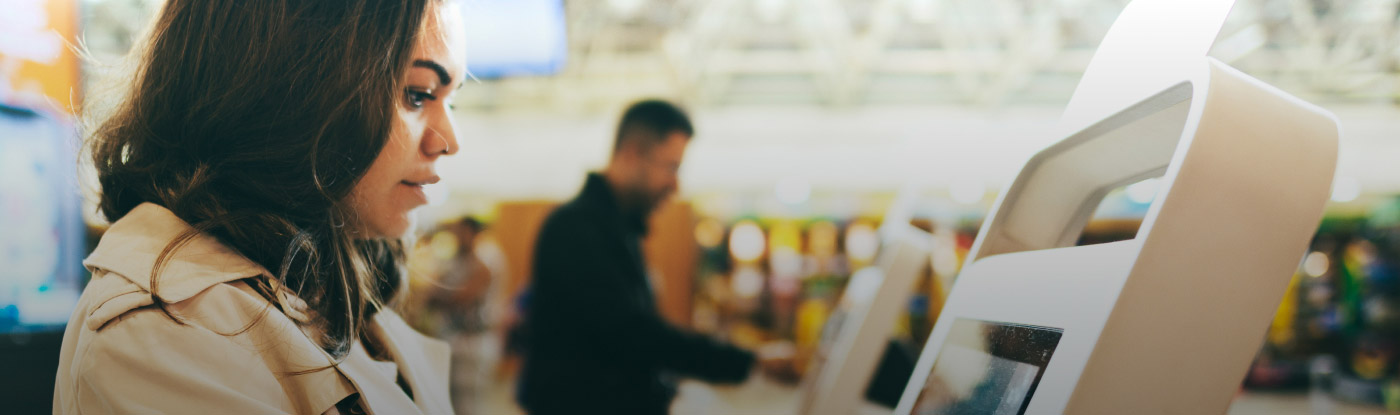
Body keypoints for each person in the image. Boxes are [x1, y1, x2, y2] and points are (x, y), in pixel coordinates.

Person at [52, 0, 467, 413]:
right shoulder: (160, 332)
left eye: (451, 100)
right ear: (288, 85)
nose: (448, 140)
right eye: (417, 95)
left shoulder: (327, 271)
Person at [516, 100, 757, 414]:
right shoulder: (574, 228)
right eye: (671, 167)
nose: (675, 184)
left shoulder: (619, 228)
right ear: (631, 154)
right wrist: (743, 362)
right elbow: (628, 335)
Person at [423, 218, 506, 415]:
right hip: (452, 336)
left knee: (468, 402)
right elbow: (434, 292)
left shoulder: (485, 261)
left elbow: (463, 296)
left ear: (473, 233)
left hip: (474, 340)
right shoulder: (456, 259)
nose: (457, 236)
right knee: (449, 398)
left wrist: (439, 296)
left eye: (462, 232)